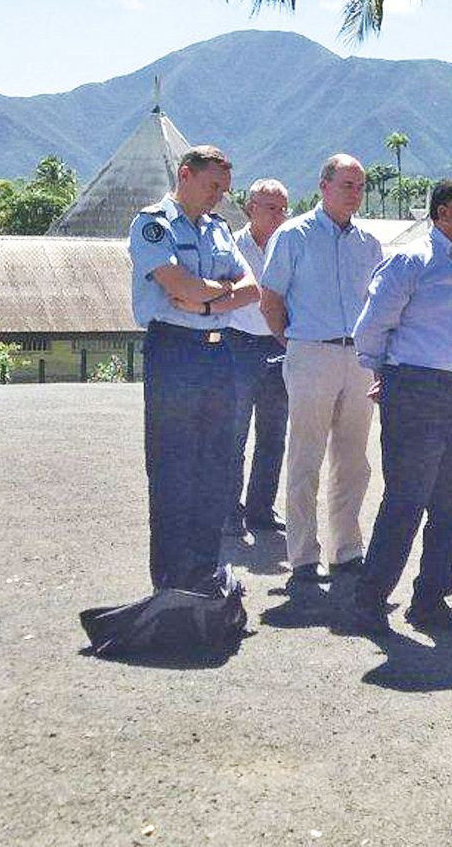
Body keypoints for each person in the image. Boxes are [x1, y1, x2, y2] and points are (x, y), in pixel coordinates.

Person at [344, 179, 452, 635]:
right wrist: (387, 375)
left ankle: (430, 600)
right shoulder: (412, 261)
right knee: (407, 498)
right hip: (418, 390)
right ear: (442, 213)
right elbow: (371, 328)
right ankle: (370, 600)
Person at [126, 146, 260, 592]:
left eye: (224, 189)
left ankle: (204, 572)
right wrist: (219, 292)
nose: (219, 196)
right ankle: (170, 579)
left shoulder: (219, 229)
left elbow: (252, 290)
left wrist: (205, 302)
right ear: (185, 175)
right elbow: (176, 285)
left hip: (219, 354)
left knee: (215, 466)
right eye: (212, 186)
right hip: (174, 352)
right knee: (172, 468)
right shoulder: (153, 225)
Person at [259, 154, 384, 590]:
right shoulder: (293, 235)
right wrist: (293, 343)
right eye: (347, 184)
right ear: (324, 186)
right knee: (305, 457)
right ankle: (303, 556)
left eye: (360, 186)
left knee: (353, 461)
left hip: (359, 359)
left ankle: (346, 551)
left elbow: (378, 305)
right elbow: (270, 300)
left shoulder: (370, 243)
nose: (355, 193)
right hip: (311, 352)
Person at [224, 179, 291, 534]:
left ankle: (261, 510)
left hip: (279, 345)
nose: (279, 215)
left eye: (283, 209)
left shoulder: (291, 246)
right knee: (233, 434)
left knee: (273, 435)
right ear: (251, 209)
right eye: (270, 208)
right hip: (237, 345)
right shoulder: (231, 247)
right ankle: (228, 512)